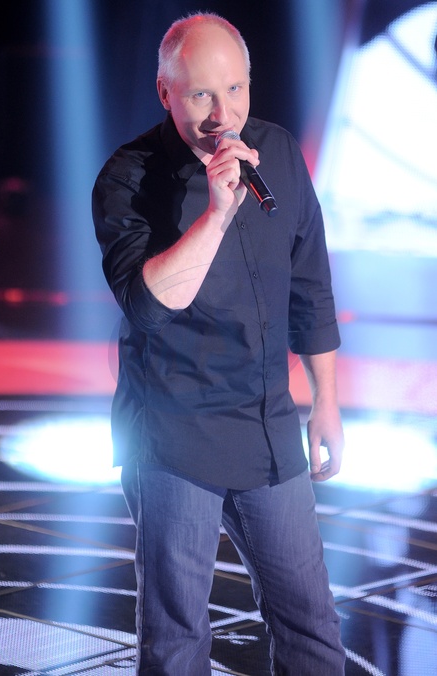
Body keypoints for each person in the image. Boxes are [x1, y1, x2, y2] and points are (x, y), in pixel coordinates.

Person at [92, 11, 346, 675]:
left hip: (267, 425)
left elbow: (310, 282)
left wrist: (325, 400)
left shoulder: (278, 153)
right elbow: (149, 305)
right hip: (173, 434)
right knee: (177, 641)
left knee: (312, 625)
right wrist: (217, 212)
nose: (222, 115)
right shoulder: (128, 177)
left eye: (235, 90)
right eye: (202, 94)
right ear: (165, 92)